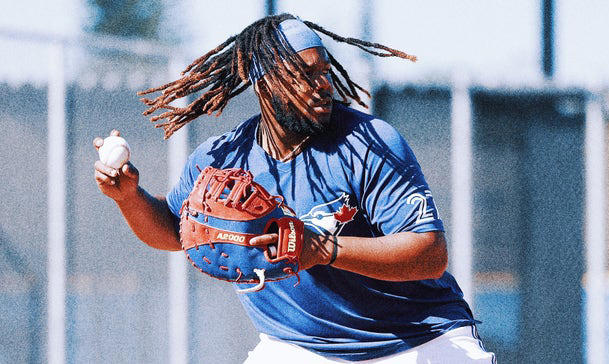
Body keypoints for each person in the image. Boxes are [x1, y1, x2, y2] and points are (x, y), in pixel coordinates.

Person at [93, 13, 496, 363]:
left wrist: (321, 248)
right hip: (300, 348)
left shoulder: (368, 142)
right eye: (305, 75)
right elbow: (172, 229)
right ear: (264, 85)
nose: (323, 85)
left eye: (323, 71)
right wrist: (129, 197)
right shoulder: (221, 159)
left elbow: (429, 254)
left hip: (416, 341)